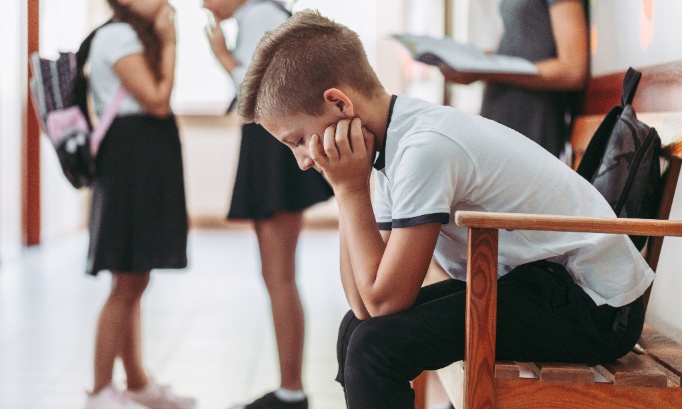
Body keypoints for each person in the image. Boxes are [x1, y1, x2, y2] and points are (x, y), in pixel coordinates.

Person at [236, 10, 654, 409]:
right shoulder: (390, 142)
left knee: (375, 350)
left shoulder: (425, 148)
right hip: (534, 284)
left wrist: (349, 191)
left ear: (340, 104)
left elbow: (385, 302)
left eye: (296, 141)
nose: (303, 161)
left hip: (594, 306)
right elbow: (366, 304)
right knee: (355, 329)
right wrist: (350, 185)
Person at [202, 1, 334, 408]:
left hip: (271, 149)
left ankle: (291, 391)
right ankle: (288, 387)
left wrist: (224, 57)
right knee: (277, 274)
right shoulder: (260, 16)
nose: (203, 4)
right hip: (269, 147)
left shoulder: (260, 17)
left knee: (279, 275)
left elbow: (263, 91)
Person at [84, 1, 195, 408]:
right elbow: (157, 99)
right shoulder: (118, 36)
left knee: (135, 276)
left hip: (141, 158)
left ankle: (136, 383)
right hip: (130, 160)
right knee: (126, 278)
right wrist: (171, 43)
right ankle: (99, 392)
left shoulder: (129, 34)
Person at [439, 0, 589, 158]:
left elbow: (573, 70)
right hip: (501, 115)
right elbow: (521, 48)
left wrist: (490, 70)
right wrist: (475, 62)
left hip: (532, 118)